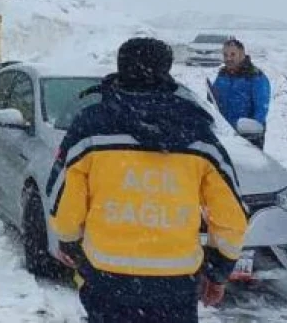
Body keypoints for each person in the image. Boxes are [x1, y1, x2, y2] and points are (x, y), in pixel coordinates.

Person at [49, 37, 248, 323]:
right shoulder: (197, 132)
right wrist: (218, 273)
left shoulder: (91, 126)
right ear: (166, 71)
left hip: (107, 278)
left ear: (121, 68)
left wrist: (69, 244)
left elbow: (65, 202)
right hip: (175, 285)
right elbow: (231, 218)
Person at [212, 38, 271, 148]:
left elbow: (261, 110)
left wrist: (249, 131)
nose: (228, 58)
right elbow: (214, 100)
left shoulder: (256, 77)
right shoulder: (222, 75)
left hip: (248, 138)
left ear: (242, 54)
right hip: (225, 135)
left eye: (233, 54)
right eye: (225, 55)